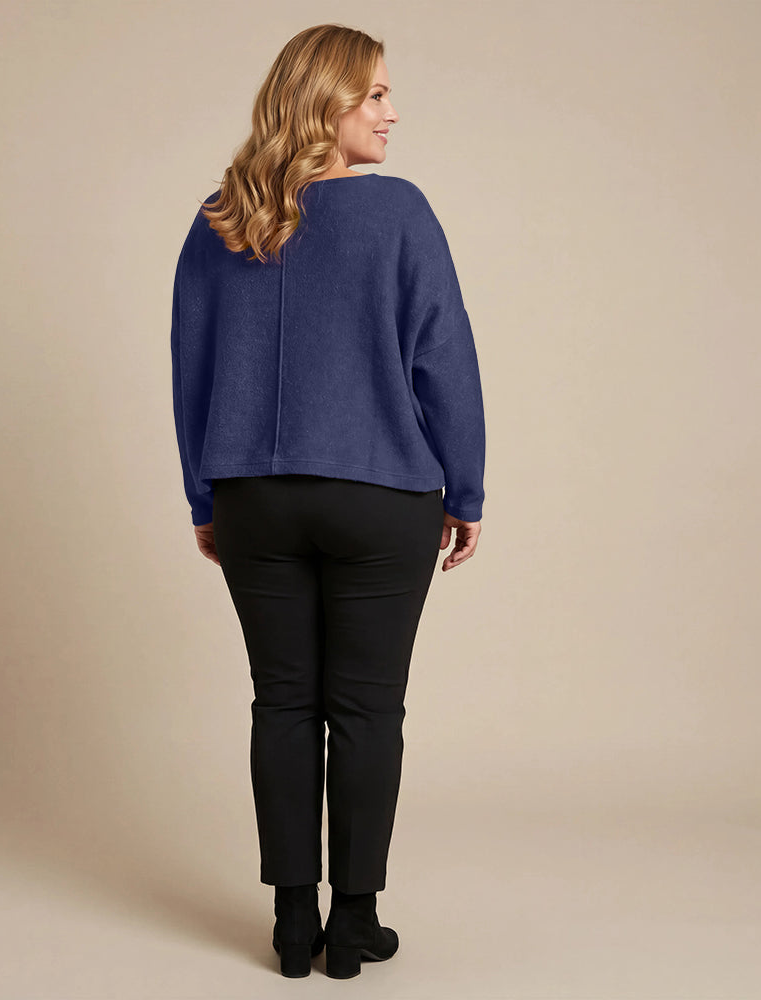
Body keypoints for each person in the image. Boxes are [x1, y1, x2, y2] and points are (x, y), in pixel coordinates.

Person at [170, 23, 485, 980]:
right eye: (375, 94)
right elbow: (443, 358)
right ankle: (353, 923)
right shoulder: (399, 213)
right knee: (366, 710)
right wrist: (466, 487)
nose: (391, 113)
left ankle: (291, 922)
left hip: (254, 501)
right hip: (381, 494)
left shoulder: (223, 218)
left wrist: (205, 495)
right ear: (325, 101)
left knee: (282, 703)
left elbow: (192, 368)